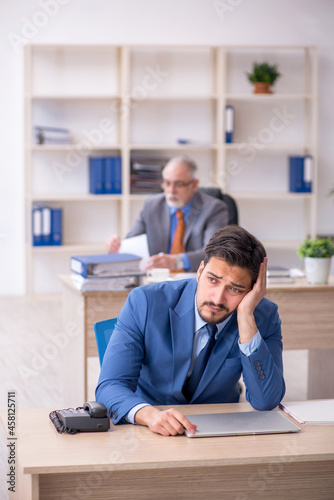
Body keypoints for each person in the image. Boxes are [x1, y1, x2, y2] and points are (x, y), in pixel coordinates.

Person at [96, 225, 286, 436]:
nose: (217, 298)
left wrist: (245, 318)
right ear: (200, 271)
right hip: (148, 428)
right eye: (212, 280)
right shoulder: (145, 302)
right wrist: (150, 415)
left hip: (219, 431)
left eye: (235, 289)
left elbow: (267, 401)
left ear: (252, 290)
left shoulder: (263, 316)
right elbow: (109, 387)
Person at [105, 155, 229, 272]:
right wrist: (116, 248)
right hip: (157, 279)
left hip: (195, 280)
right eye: (167, 183)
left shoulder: (214, 209)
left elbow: (214, 255)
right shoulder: (151, 205)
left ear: (194, 184)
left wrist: (177, 261)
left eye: (179, 184)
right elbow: (131, 245)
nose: (171, 190)